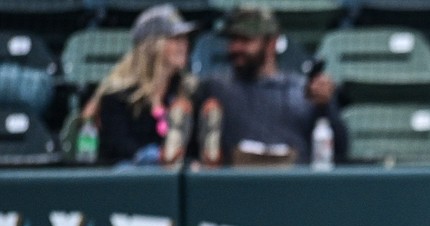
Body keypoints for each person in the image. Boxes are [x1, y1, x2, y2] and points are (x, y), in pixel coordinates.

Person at [192, 5, 347, 166]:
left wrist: (326, 107)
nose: (236, 47)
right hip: (234, 185)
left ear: (271, 43)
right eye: (232, 40)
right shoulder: (216, 89)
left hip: (294, 185)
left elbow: (340, 151)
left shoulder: (303, 92)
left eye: (245, 40)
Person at [87, 3, 198, 167]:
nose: (184, 45)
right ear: (153, 45)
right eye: (175, 39)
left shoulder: (188, 91)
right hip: (131, 183)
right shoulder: (118, 95)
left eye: (185, 38)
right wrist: (159, 157)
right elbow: (120, 148)